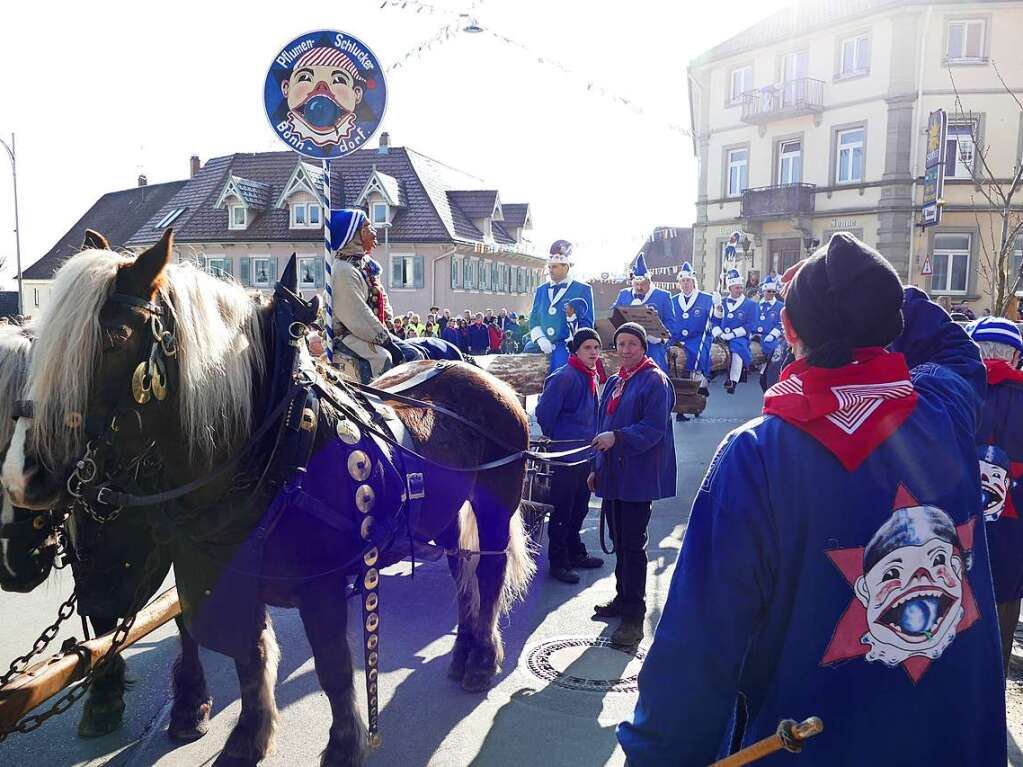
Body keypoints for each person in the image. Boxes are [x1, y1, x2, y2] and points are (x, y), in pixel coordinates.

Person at [618, 233, 1004, 766]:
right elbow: (955, 349)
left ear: (788, 330)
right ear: (887, 326)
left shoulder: (755, 457)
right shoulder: (946, 411)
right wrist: (876, 288)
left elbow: (694, 661)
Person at [589, 322, 676, 648]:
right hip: (613, 473)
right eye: (621, 344)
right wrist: (595, 467)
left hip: (637, 476)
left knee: (632, 546)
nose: (625, 350)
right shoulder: (614, 381)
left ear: (643, 347)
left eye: (632, 344)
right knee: (618, 539)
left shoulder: (655, 380)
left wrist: (618, 439)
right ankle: (622, 599)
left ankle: (634, 618)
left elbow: (653, 429)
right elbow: (602, 425)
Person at [966, 316, 1023, 677]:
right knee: (1000, 636)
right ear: (1016, 357)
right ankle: (993, 715)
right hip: (1012, 543)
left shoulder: (954, 394)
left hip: (957, 537)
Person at [536, 328, 604, 584]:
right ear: (575, 350)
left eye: (596, 348)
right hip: (565, 457)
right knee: (563, 511)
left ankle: (575, 552)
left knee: (580, 508)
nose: (594, 352)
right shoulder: (564, 377)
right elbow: (544, 414)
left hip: (585, 455)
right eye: (587, 348)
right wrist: (559, 440)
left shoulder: (591, 375)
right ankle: (558, 561)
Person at [328, 208, 403, 383]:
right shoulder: (343, 271)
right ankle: (377, 407)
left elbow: (381, 297)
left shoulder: (365, 266)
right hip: (349, 335)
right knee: (383, 358)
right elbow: (358, 315)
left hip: (369, 332)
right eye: (368, 227)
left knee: (414, 352)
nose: (374, 232)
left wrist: (389, 325)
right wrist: (385, 339)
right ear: (356, 235)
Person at [526, 239, 595, 371]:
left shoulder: (582, 289)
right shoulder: (542, 289)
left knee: (562, 376)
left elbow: (587, 323)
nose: (551, 270)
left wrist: (573, 341)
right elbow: (534, 319)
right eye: (550, 267)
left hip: (567, 347)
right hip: (540, 345)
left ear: (566, 267)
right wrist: (540, 339)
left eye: (555, 267)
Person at [613, 253, 675, 373]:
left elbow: (671, 323)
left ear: (649, 282)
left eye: (643, 284)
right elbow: (614, 316)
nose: (640, 287)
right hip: (629, 343)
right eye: (637, 284)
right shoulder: (624, 294)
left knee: (655, 373)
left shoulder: (663, 296)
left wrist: (660, 338)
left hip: (653, 345)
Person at [669, 261, 716, 403]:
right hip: (676, 337)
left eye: (688, 281)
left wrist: (718, 308)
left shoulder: (706, 299)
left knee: (697, 354)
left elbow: (716, 319)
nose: (685, 284)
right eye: (682, 281)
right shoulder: (673, 300)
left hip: (698, 337)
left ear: (693, 282)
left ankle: (700, 384)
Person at [711, 268, 756, 394]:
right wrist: (719, 333)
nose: (740, 290)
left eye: (741, 287)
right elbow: (715, 320)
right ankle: (704, 381)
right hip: (721, 336)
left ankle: (733, 381)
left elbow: (750, 325)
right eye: (737, 288)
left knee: (737, 351)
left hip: (739, 337)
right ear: (730, 288)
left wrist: (732, 335)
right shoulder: (723, 302)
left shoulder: (750, 305)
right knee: (709, 351)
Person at [752, 275, 784, 365]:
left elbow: (781, 324)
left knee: (773, 354)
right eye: (769, 291)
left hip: (770, 337)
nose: (771, 293)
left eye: (773, 291)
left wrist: (773, 335)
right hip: (754, 336)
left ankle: (767, 374)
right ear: (763, 291)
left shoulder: (780, 306)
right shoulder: (755, 304)